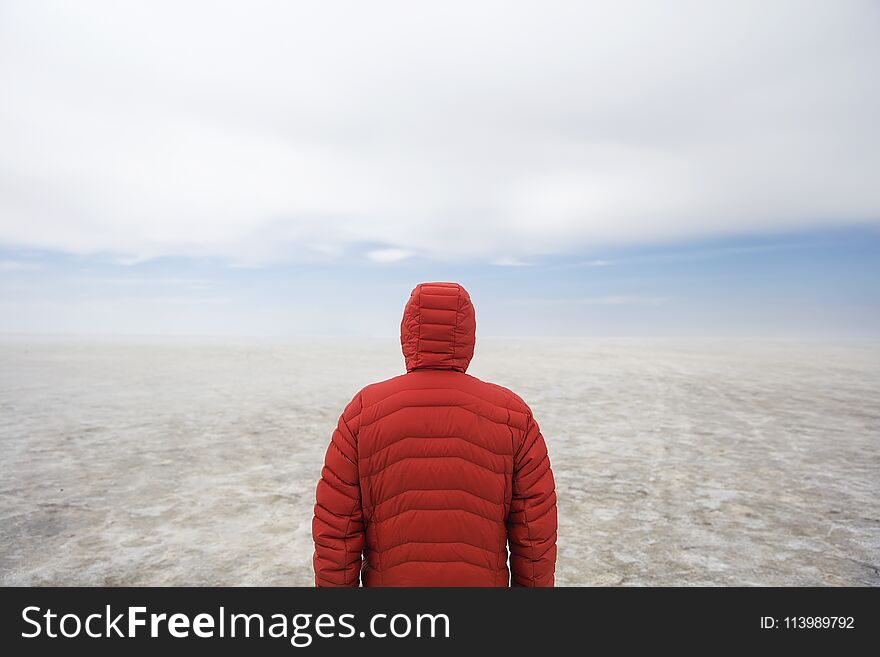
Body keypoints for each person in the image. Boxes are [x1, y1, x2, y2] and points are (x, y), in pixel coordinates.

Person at [312, 282, 557, 586]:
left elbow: (336, 531)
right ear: (468, 336)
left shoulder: (363, 411)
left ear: (407, 333)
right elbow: (535, 536)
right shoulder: (512, 414)